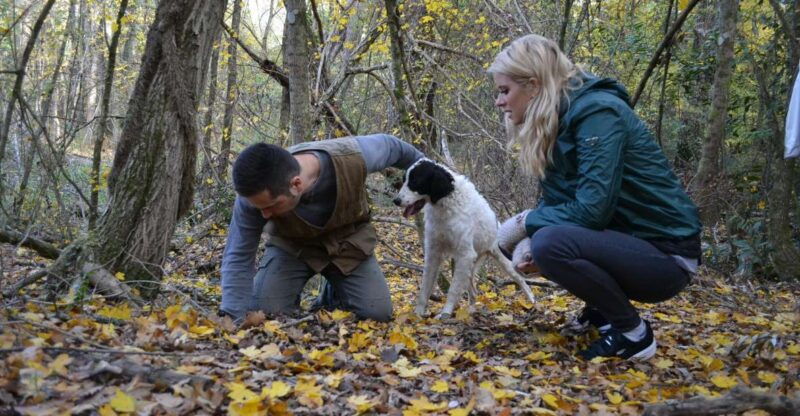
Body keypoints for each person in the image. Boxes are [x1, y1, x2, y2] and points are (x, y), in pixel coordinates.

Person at [490, 35, 702, 361]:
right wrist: (528, 241)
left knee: (551, 244)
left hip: (668, 257)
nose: (500, 102)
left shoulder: (597, 114)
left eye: (505, 91)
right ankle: (601, 314)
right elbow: (559, 202)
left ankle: (634, 335)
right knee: (544, 243)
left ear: (533, 86)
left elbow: (592, 211)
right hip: (631, 245)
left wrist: (525, 222)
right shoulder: (556, 122)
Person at [220, 134, 424, 322]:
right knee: (265, 313)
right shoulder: (252, 197)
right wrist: (232, 319)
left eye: (271, 206)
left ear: (296, 185)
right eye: (260, 208)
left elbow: (394, 147)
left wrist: (433, 181)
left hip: (348, 244)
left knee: (377, 315)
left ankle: (334, 293)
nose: (264, 215)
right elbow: (238, 255)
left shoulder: (352, 156)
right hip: (292, 248)